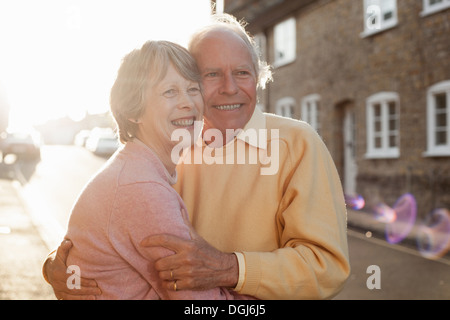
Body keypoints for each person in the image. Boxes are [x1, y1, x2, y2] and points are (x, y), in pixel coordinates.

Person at [43, 13, 350, 300]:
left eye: (242, 73)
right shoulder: (174, 144)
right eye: (212, 74)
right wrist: (67, 264)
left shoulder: (296, 142)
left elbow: (328, 266)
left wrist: (231, 268)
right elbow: (118, 223)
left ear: (257, 78)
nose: (230, 88)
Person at [55, 40, 252, 300]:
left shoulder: (134, 170)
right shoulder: (142, 190)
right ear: (134, 111)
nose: (188, 103)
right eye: (169, 92)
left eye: (193, 89)